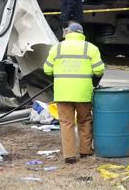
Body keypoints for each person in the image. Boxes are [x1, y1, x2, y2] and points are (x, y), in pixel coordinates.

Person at [42, 22, 105, 164]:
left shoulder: (56, 48)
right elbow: (99, 70)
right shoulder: (91, 48)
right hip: (83, 93)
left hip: (62, 93)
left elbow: (47, 69)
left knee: (66, 123)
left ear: (68, 33)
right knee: (85, 121)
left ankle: (69, 155)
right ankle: (85, 151)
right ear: (81, 34)